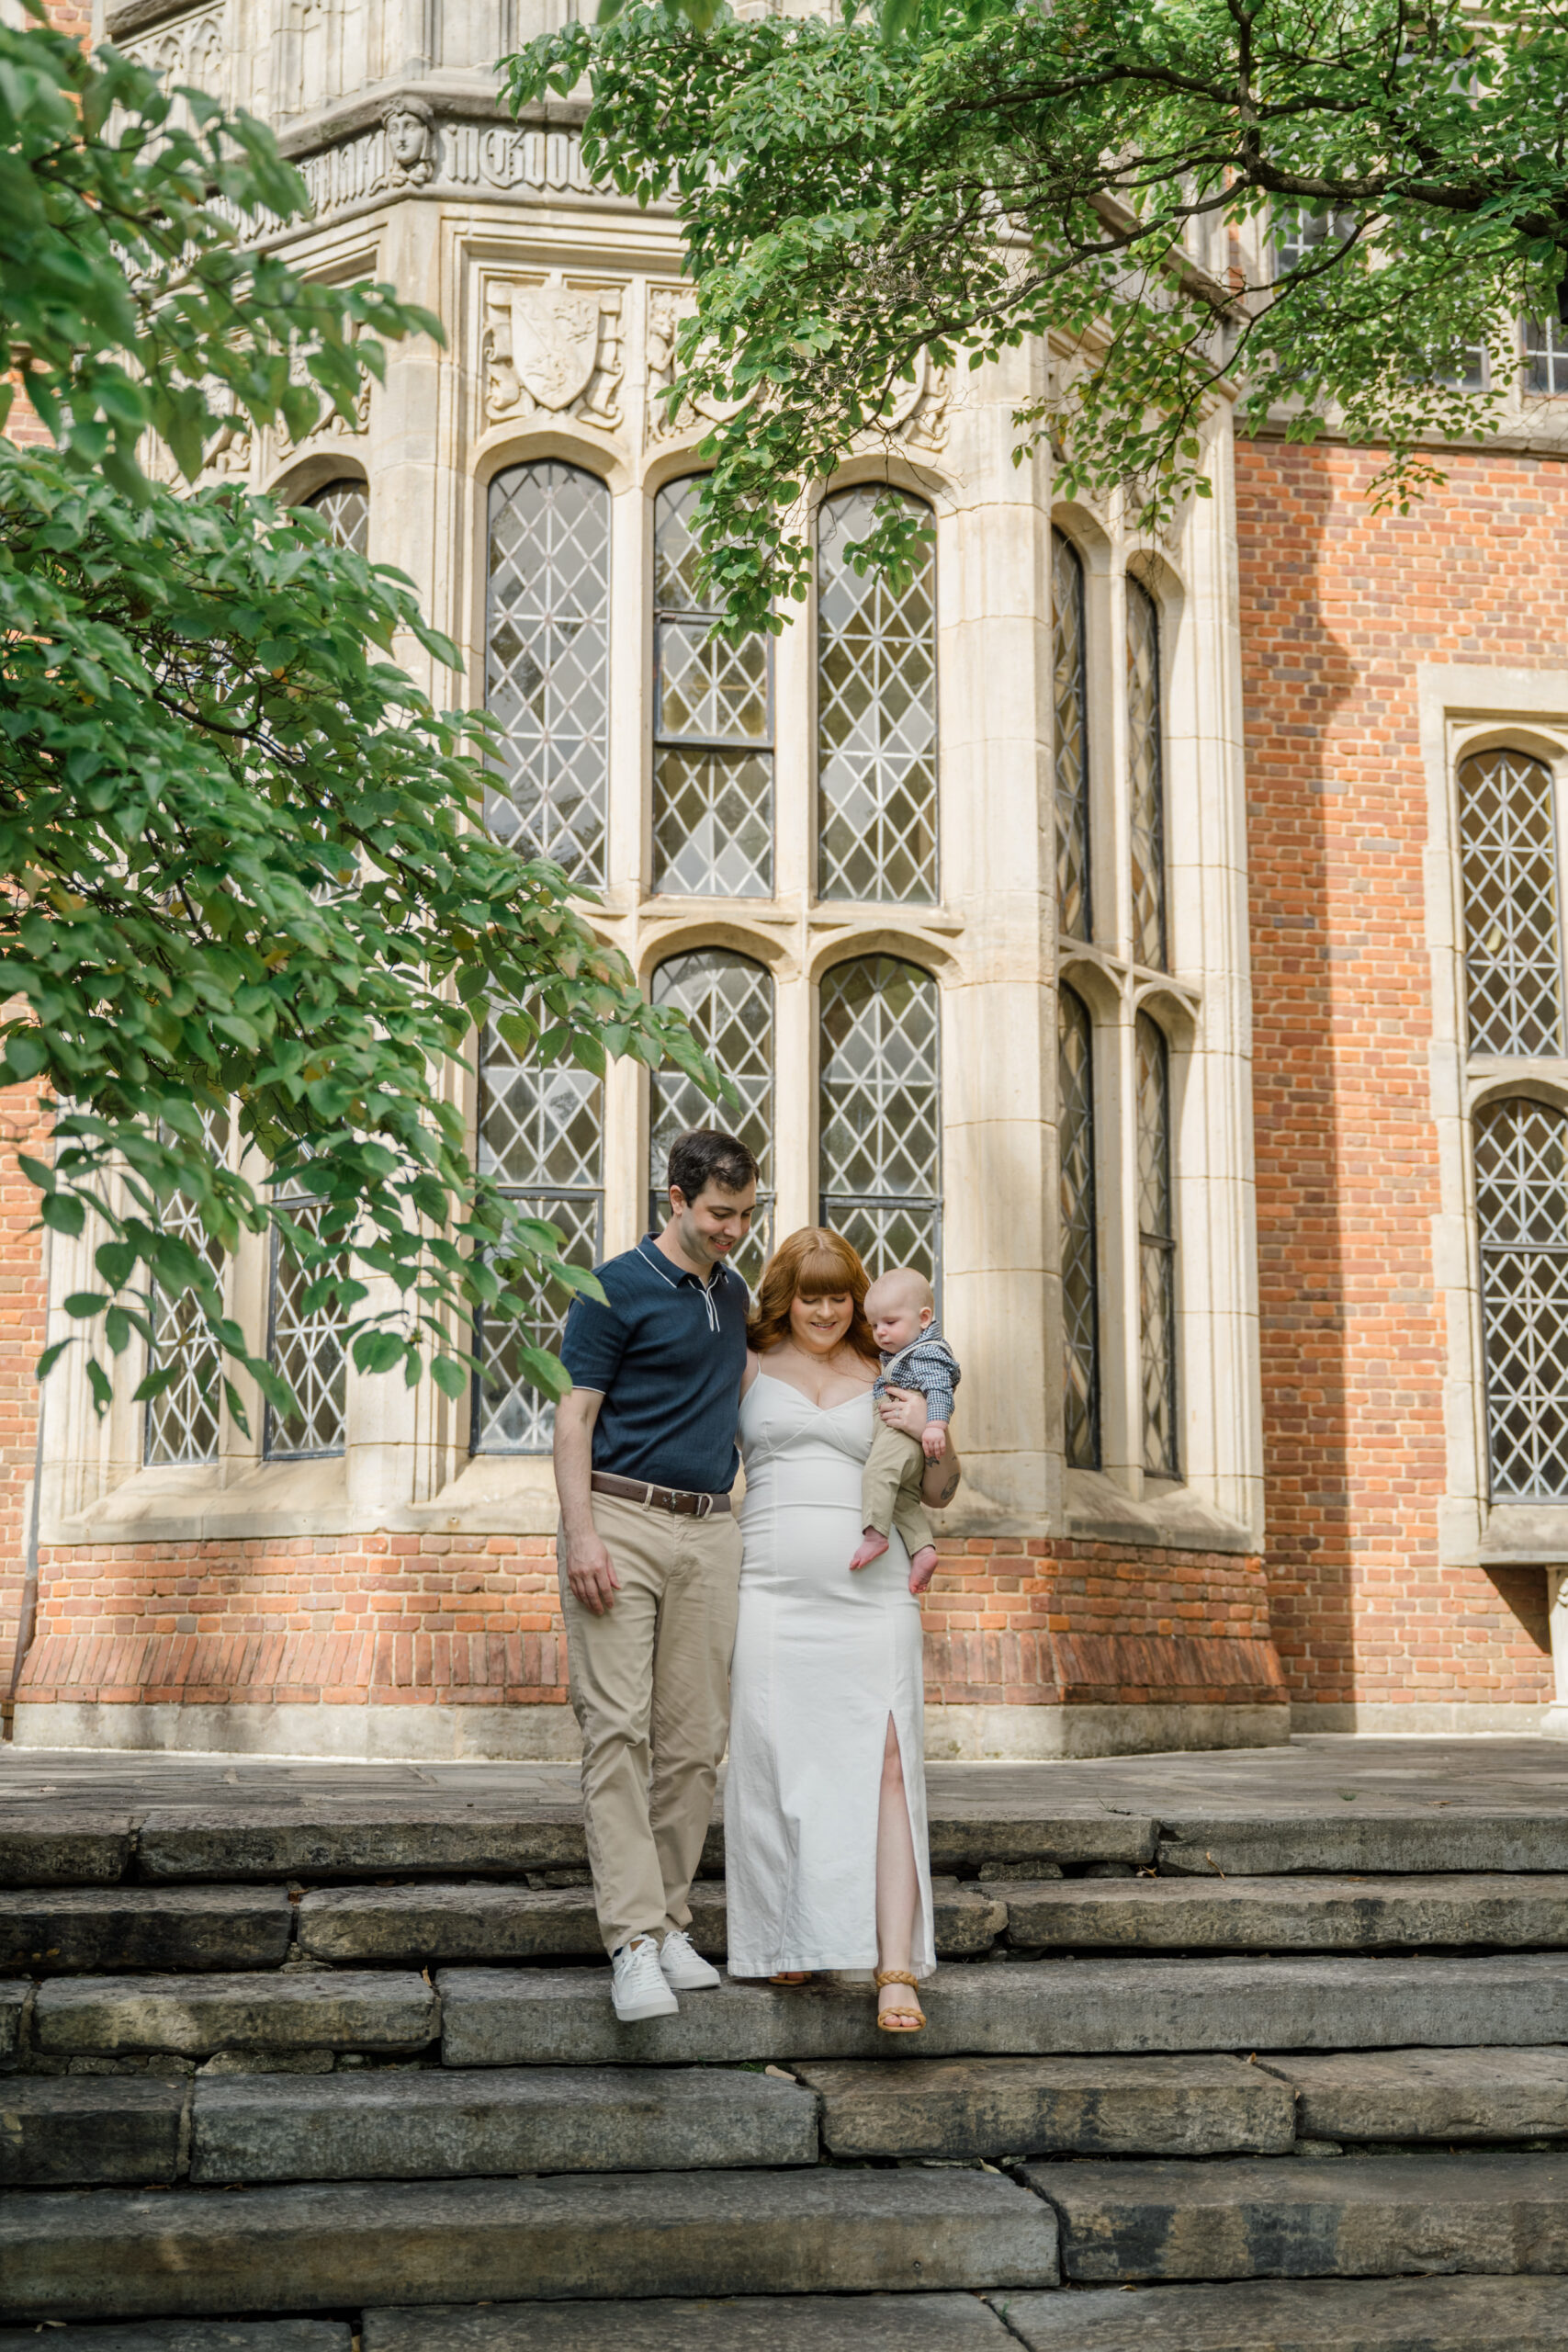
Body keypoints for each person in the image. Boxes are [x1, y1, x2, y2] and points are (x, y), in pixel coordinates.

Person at [723, 1227, 961, 2030]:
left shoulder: (888, 1369)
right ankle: (790, 1932)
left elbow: (937, 1491)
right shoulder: (746, 1364)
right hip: (770, 1589)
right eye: (808, 1295)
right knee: (774, 1759)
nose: (823, 1311)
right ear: (782, 1296)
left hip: (875, 1594)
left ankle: (894, 1966)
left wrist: (933, 1430)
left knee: (888, 1763)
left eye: (837, 1295)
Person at [553, 1128, 758, 2024]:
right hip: (621, 1521)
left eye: (746, 1215)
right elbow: (573, 1419)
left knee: (693, 1741)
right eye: (719, 1213)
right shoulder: (612, 1287)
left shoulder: (737, 1293)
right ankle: (632, 1942)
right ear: (673, 1197)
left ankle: (671, 1917)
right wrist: (582, 1536)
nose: (733, 1230)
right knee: (616, 1733)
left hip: (710, 1531)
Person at [849, 1265, 961, 1589]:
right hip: (904, 1436)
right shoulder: (902, 1349)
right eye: (874, 1325)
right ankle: (923, 1549)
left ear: (924, 1318)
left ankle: (874, 1536)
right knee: (901, 1499)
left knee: (877, 1474)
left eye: (890, 1322)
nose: (880, 1332)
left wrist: (934, 1425)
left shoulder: (925, 1352)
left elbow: (939, 1389)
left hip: (902, 1434)